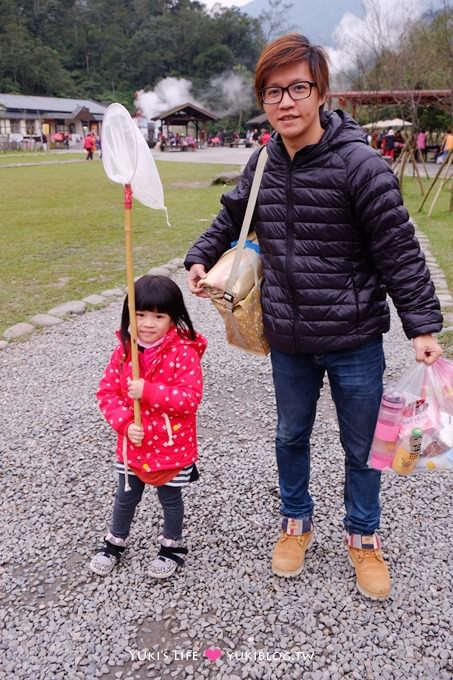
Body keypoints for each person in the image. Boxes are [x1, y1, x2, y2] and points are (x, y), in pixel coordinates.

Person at [184, 33, 443, 601]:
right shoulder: (264, 160)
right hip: (289, 337)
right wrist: (201, 257)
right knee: (289, 435)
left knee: (363, 445)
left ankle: (364, 538)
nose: (286, 102)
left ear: (320, 92)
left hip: (354, 339)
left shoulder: (362, 165)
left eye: (298, 88)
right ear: (263, 100)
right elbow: (231, 215)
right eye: (273, 92)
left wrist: (422, 327)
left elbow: (398, 250)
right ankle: (295, 524)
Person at [90, 275, 207, 578]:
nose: (148, 323)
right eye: (139, 314)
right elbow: (107, 394)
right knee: (125, 495)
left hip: (171, 446)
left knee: (170, 498)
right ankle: (115, 541)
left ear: (173, 317)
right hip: (133, 444)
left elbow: (190, 399)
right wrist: (126, 424)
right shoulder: (124, 351)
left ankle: (172, 546)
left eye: (158, 315)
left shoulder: (184, 353)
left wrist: (150, 392)